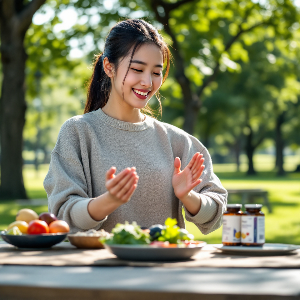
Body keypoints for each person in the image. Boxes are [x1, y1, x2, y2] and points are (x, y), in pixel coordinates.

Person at [44, 19, 227, 234]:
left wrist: (188, 196)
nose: (147, 82)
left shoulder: (176, 141)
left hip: (165, 264)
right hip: (98, 265)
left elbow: (217, 214)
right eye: (137, 69)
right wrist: (108, 201)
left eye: (156, 73)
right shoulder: (78, 133)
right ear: (109, 67)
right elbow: (62, 215)